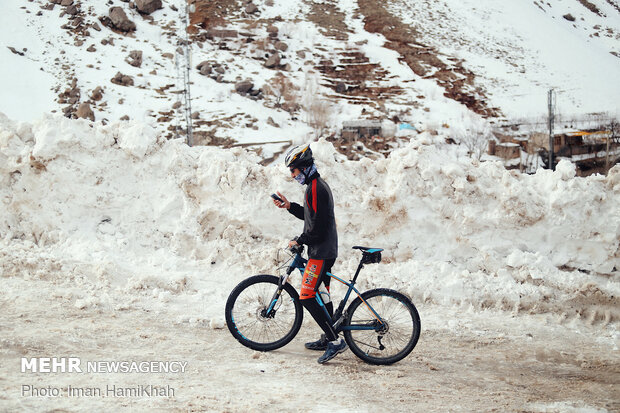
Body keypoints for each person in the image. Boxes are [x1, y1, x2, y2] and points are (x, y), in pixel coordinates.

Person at [272, 143, 347, 364]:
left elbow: (318, 228)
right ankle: (329, 336)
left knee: (306, 295)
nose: (292, 175)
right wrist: (289, 206)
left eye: (293, 170)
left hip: (321, 252)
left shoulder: (316, 188)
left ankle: (335, 342)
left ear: (304, 167)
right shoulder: (315, 186)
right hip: (324, 249)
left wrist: (300, 239)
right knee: (322, 295)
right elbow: (311, 216)